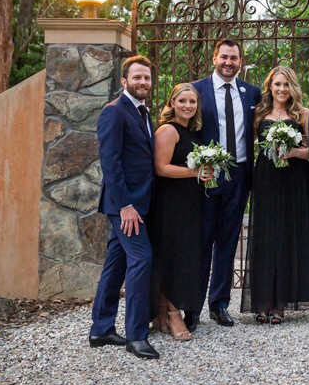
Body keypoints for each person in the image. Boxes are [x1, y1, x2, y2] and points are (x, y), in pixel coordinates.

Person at [89, 55, 159, 359]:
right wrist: (126, 206)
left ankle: (101, 329)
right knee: (142, 259)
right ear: (124, 81)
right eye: (137, 77)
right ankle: (136, 335)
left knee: (116, 264)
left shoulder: (142, 111)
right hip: (125, 205)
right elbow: (111, 165)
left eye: (146, 78)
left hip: (140, 202)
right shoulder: (114, 112)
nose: (142, 82)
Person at [189, 39, 262, 331]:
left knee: (228, 240)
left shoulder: (251, 92)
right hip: (207, 175)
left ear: (240, 62)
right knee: (202, 241)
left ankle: (218, 304)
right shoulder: (197, 90)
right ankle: (192, 307)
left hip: (240, 175)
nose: (229, 62)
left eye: (234, 58)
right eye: (224, 57)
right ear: (214, 59)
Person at [240, 66, 309, 324]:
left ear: (292, 87)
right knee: (265, 235)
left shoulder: (303, 114)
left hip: (295, 178)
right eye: (277, 84)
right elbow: (250, 149)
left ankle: (281, 304)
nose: (282, 89)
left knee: (288, 235)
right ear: (270, 87)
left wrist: (294, 152)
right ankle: (262, 301)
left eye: (286, 84)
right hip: (266, 178)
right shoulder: (259, 114)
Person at [150, 83, 212, 341]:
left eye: (192, 102)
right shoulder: (168, 130)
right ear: (172, 103)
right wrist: (195, 172)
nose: (188, 106)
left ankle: (163, 312)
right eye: (183, 101)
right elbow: (161, 168)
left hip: (189, 202)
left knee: (181, 255)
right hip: (170, 204)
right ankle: (175, 314)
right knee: (172, 257)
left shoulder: (192, 132)